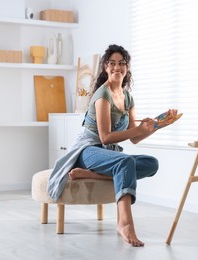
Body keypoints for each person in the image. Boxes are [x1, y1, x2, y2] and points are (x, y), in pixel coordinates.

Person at [48, 44, 177, 247]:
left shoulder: (128, 97)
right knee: (125, 162)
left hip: (107, 154)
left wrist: (160, 125)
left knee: (152, 163)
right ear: (106, 68)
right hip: (88, 149)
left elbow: (135, 138)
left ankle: (92, 174)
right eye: (112, 63)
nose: (117, 67)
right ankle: (125, 223)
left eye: (122, 63)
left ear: (127, 68)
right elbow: (106, 137)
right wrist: (140, 128)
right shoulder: (103, 95)